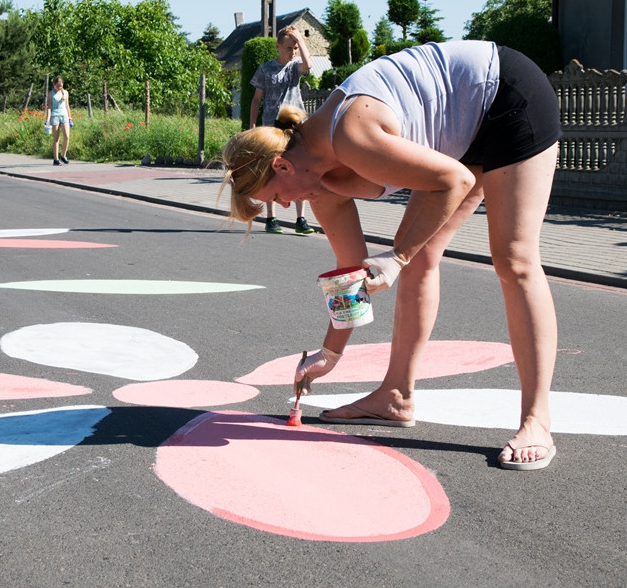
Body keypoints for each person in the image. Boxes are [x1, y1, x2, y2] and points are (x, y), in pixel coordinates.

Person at [222, 40, 562, 471]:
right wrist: (330, 354)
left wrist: (396, 258)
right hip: (464, 124)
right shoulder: (319, 186)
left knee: (513, 258)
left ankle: (537, 419)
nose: (285, 208)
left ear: (283, 167)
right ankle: (396, 396)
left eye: (275, 198)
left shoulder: (349, 135)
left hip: (506, 94)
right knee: (421, 255)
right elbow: (350, 275)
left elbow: (452, 181)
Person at [249, 25, 315, 235]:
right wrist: (252, 125)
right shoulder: (266, 69)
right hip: (272, 126)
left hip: (294, 125)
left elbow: (308, 64)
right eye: (289, 47)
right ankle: (271, 218)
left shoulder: (296, 67)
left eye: (295, 47)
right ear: (278, 47)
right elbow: (256, 99)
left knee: (299, 169)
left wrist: (301, 41)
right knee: (272, 170)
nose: (292, 51)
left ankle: (301, 219)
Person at [44, 77, 72, 165]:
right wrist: (48, 120)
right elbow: (49, 107)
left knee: (67, 136)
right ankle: (56, 159)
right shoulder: (51, 94)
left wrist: (70, 118)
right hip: (55, 116)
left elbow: (67, 106)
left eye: (61, 85)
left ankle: (63, 155)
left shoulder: (66, 93)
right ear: (54, 85)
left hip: (64, 116)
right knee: (56, 138)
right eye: (57, 86)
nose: (59, 87)